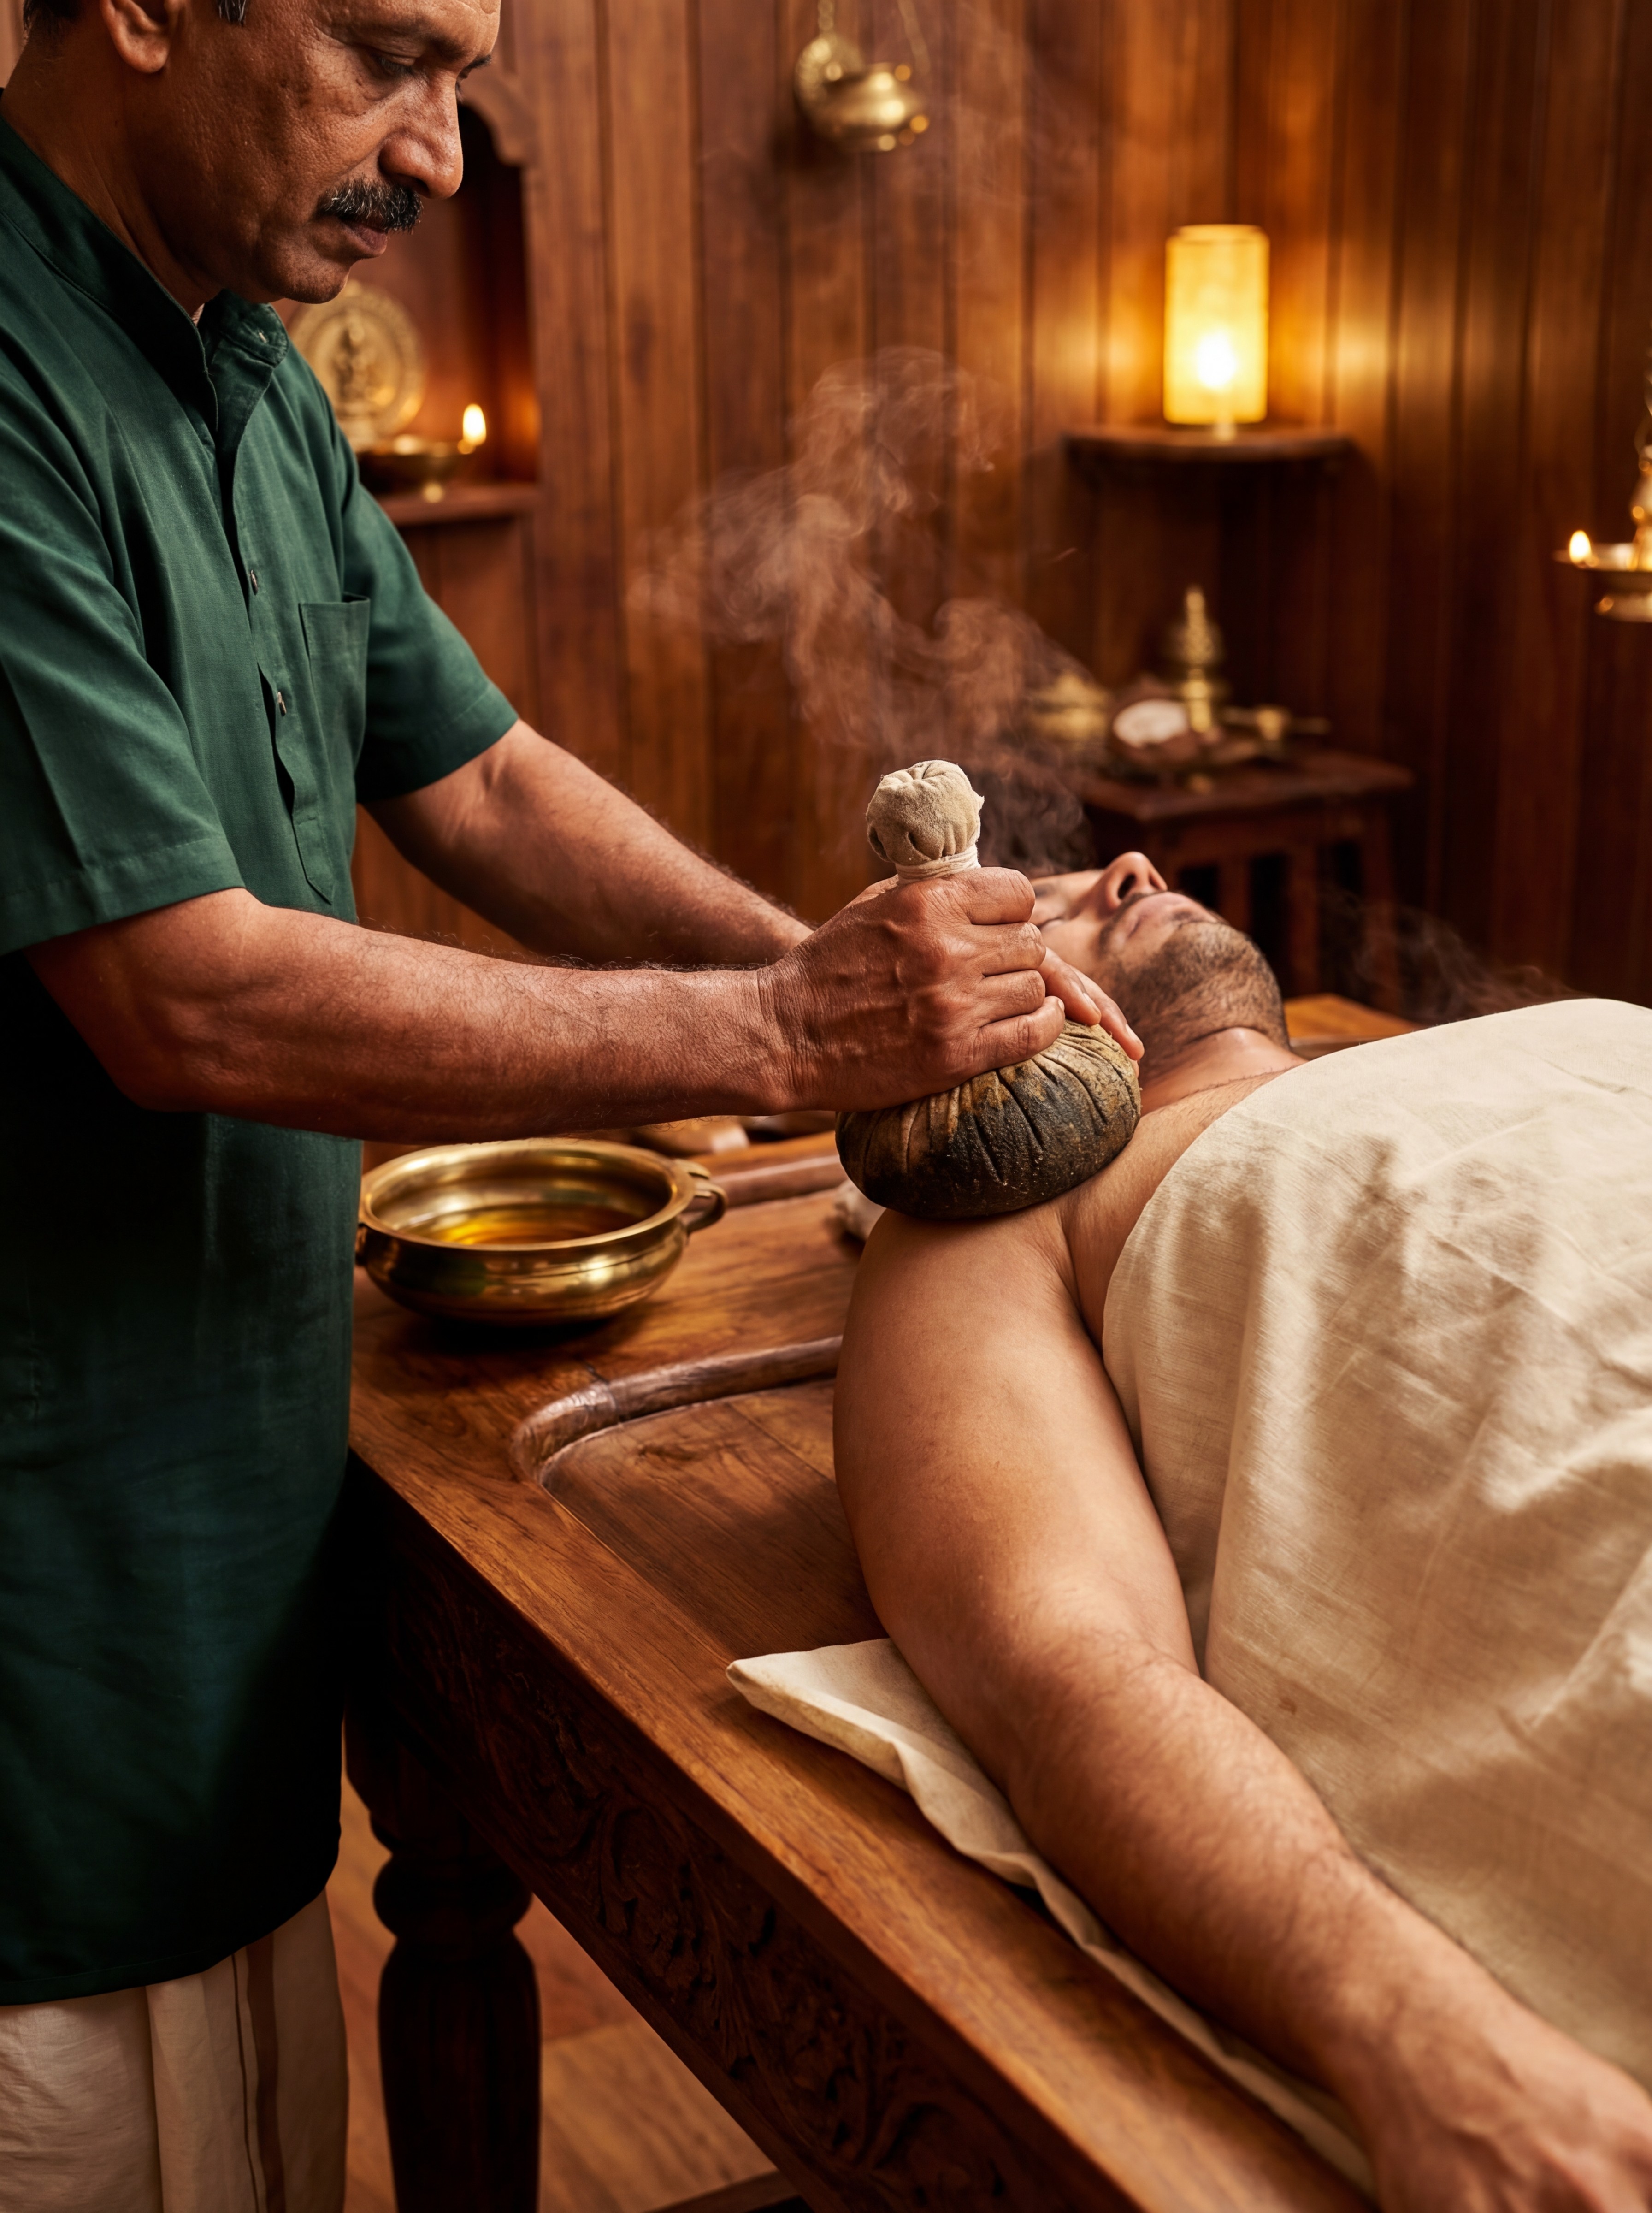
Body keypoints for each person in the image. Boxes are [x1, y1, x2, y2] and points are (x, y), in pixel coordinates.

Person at [0, 0, 1133, 2201]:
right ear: (141, 8)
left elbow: (485, 780)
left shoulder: (237, 356)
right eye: (387, 54)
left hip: (220, 1532)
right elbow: (187, 999)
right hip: (44, 1597)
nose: (436, 154)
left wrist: (840, 984)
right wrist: (802, 1039)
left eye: (470, 81)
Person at [837, 865, 1652, 2213]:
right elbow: (1068, 1668)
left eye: (1100, 874)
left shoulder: (1567, 1035)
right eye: (1037, 911)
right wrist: (1433, 2052)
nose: (1128, 873)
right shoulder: (999, 1235)